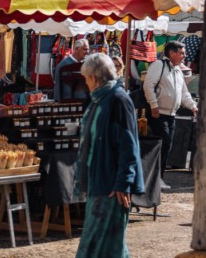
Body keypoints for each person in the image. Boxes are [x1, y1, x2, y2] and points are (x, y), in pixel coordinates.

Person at [73, 53, 144, 257]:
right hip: (99, 181)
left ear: (94, 77)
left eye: (86, 78)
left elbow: (128, 145)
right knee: (110, 245)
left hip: (112, 185)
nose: (85, 83)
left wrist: (123, 182)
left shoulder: (118, 100)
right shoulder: (100, 100)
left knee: (96, 245)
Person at [143, 41, 198, 175]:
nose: (184, 56)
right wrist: (154, 105)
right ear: (172, 53)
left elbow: (184, 93)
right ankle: (155, 177)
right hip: (158, 113)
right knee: (163, 144)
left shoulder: (178, 70)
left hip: (171, 114)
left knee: (167, 145)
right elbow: (148, 85)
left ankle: (158, 177)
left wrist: (193, 107)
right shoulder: (159, 65)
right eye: (181, 53)